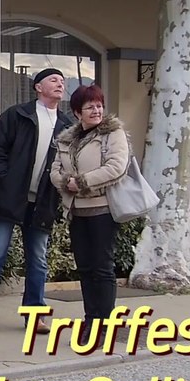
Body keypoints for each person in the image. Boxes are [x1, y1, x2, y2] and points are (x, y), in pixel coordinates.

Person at [0, 67, 75, 332]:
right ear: (38, 87)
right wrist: (4, 180)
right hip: (10, 198)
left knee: (38, 260)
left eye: (62, 81)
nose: (59, 84)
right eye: (53, 79)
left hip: (43, 201)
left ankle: (35, 315)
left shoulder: (67, 125)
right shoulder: (17, 115)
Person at [50, 85, 129, 337]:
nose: (96, 110)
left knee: (102, 267)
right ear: (77, 113)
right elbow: (54, 171)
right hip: (77, 211)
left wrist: (81, 181)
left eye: (99, 105)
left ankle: (104, 324)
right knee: (84, 268)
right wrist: (65, 183)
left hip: (102, 209)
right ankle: (90, 319)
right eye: (90, 107)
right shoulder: (67, 139)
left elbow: (116, 166)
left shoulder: (112, 134)